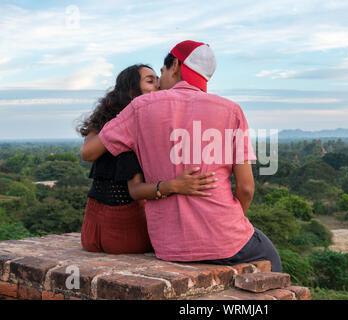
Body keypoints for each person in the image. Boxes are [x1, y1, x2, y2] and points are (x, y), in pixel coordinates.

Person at [80, 41, 282, 272]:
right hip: (226, 239)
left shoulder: (140, 107)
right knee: (271, 260)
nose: (160, 79)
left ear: (174, 65)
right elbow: (246, 188)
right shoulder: (230, 110)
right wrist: (221, 228)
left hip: (169, 247)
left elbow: (91, 151)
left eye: (162, 71)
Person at [78, 63, 217, 254]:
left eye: (158, 81)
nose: (158, 86)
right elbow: (88, 153)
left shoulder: (109, 121)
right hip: (124, 227)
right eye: (150, 81)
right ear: (131, 90)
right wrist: (175, 185)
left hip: (91, 231)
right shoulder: (121, 125)